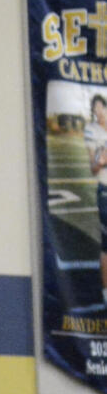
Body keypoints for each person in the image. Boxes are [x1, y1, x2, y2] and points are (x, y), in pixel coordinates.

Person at [83, 93, 107, 308]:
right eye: (96, 109)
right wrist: (101, 161)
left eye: (102, 108)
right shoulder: (91, 131)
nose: (99, 113)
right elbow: (93, 167)